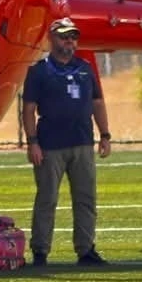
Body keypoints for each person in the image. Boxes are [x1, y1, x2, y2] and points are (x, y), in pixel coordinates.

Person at [22, 17, 112, 267]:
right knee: (47, 199)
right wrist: (32, 142)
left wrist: (105, 135)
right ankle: (40, 251)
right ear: (52, 39)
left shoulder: (85, 68)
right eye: (64, 37)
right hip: (50, 146)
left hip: (82, 142)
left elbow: (97, 103)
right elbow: (28, 109)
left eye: (73, 37)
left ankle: (86, 249)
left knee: (85, 198)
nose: (69, 41)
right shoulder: (39, 71)